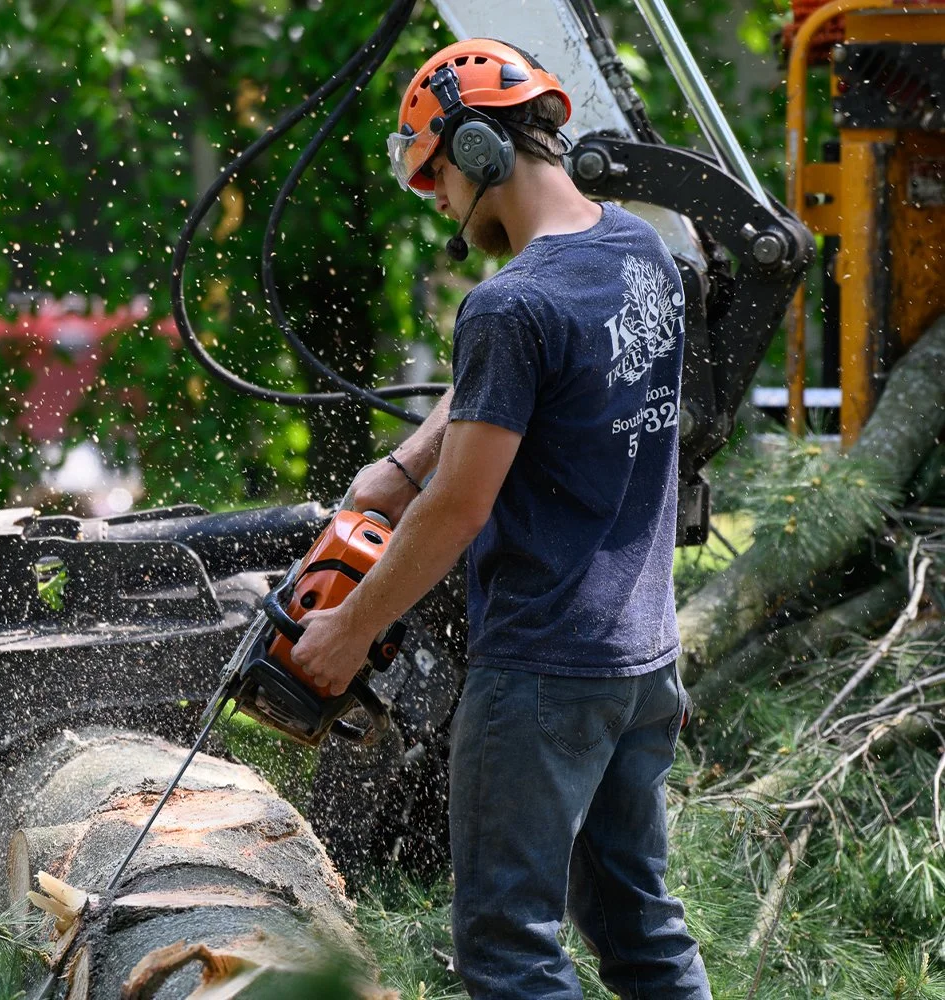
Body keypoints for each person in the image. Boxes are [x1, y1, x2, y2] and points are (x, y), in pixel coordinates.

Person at [289, 38, 712, 1000]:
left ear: (477, 153)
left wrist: (351, 630)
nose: (437, 202)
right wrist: (402, 466)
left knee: (510, 951)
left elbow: (462, 508)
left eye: (435, 176)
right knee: (642, 932)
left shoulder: (508, 305)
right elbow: (516, 385)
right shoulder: (641, 250)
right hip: (641, 663)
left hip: (541, 675)